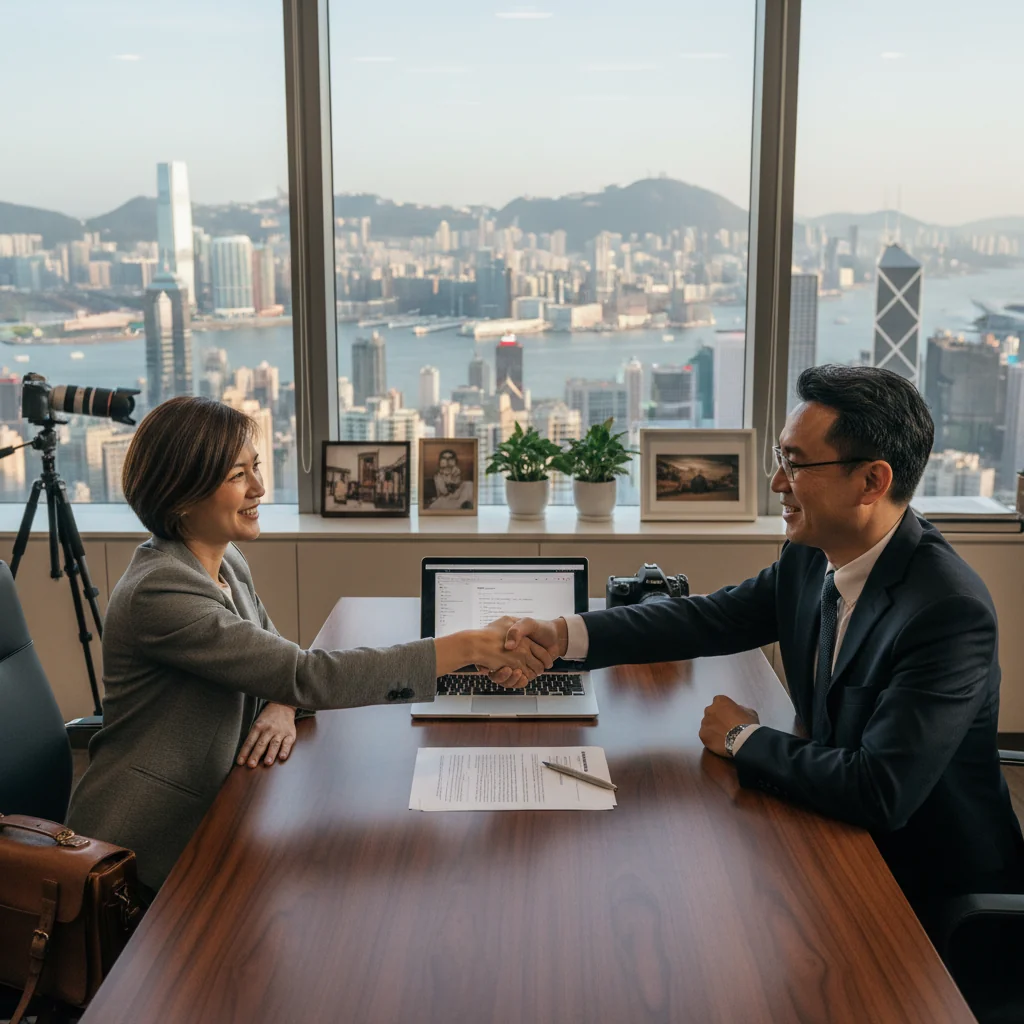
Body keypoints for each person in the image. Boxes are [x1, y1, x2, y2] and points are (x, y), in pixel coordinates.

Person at [493, 364, 1024, 935]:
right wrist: (566, 633)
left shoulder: (947, 611)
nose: (776, 482)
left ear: (871, 482)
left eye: (795, 463)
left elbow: (879, 791)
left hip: (930, 900)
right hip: (831, 841)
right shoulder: (812, 553)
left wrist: (742, 738)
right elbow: (711, 617)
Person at [68, 397, 549, 898]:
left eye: (255, 467)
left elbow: (278, 662)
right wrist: (469, 646)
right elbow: (306, 674)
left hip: (224, 807)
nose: (259, 488)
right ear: (181, 495)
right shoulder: (160, 591)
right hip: (144, 849)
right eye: (238, 475)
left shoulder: (223, 562)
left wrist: (281, 701)